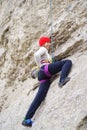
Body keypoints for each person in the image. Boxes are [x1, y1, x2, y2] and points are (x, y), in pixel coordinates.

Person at [22, 36, 72, 127]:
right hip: (44, 70)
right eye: (47, 42)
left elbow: (46, 61)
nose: (49, 44)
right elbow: (36, 55)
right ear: (44, 43)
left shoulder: (46, 53)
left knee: (39, 97)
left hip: (43, 76)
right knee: (67, 62)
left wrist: (49, 63)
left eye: (49, 42)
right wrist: (39, 66)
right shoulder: (43, 49)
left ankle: (27, 119)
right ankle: (62, 80)